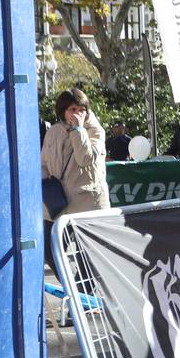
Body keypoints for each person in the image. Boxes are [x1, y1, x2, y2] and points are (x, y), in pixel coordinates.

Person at [41, 89, 110, 259]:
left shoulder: (95, 131)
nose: (78, 113)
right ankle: (70, 285)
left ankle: (83, 286)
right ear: (62, 111)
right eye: (72, 110)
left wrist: (78, 130)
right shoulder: (54, 131)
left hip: (87, 205)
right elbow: (43, 162)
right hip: (56, 205)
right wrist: (46, 181)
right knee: (49, 253)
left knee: (89, 259)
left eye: (82, 109)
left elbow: (85, 158)